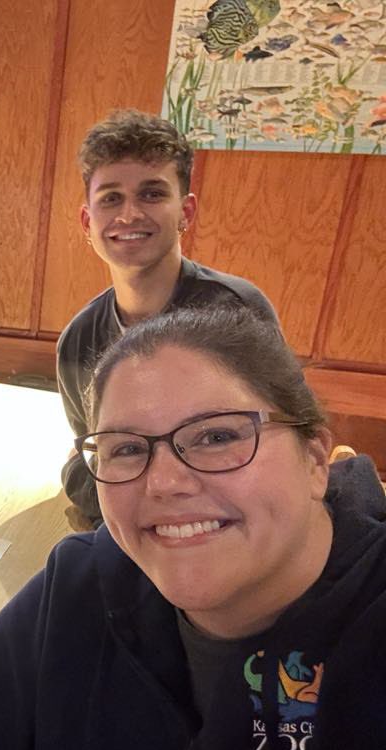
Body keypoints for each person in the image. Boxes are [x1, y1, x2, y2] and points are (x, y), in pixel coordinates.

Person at [0, 305, 386, 750]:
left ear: (316, 459)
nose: (165, 483)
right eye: (127, 448)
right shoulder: (83, 580)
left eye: (217, 436)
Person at [58, 109, 278, 529]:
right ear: (88, 221)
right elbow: (99, 466)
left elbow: (275, 455)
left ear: (186, 212)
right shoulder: (77, 341)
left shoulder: (238, 314)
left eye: (152, 193)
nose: (129, 215)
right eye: (110, 198)